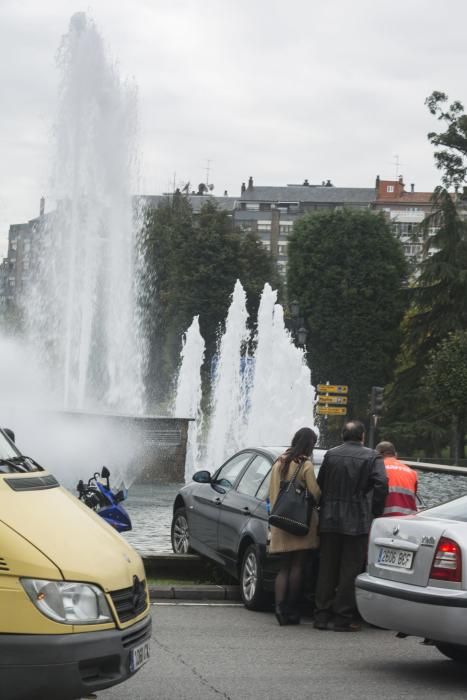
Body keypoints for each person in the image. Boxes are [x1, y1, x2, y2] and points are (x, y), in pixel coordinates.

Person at [314, 420, 388, 632]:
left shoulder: (331, 455)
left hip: (329, 519)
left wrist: (323, 506)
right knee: (349, 570)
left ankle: (321, 616)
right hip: (357, 520)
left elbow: (321, 485)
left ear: (343, 435)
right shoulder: (372, 456)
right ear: (362, 436)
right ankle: (342, 617)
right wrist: (375, 509)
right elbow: (382, 484)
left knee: (326, 569)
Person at [268, 427, 321, 626]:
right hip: (299, 522)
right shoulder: (305, 464)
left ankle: (279, 609)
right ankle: (291, 610)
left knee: (284, 567)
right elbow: (314, 492)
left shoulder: (279, 461)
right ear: (309, 445)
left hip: (279, 520)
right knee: (297, 566)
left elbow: (272, 491)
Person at [375, 441, 418, 517]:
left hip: (385, 519)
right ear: (395, 454)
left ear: (378, 454)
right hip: (409, 519)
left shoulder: (377, 468)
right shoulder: (412, 472)